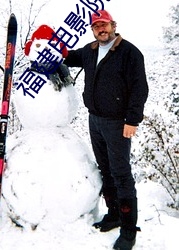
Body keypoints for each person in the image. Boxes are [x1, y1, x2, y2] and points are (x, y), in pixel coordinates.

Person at [64, 10, 148, 250]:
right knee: (106, 169)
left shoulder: (129, 52)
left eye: (104, 25)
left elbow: (139, 88)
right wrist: (44, 44)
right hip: (95, 120)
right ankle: (114, 214)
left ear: (113, 25)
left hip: (118, 122)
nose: (101, 29)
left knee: (121, 173)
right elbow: (68, 57)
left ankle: (129, 231)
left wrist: (132, 120)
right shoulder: (90, 51)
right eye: (96, 26)